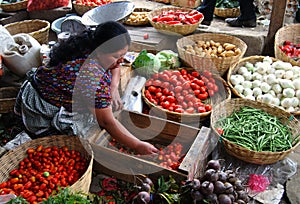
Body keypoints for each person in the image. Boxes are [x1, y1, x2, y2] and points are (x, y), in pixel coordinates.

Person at [14, 21, 159, 155]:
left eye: (123, 55)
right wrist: (138, 145)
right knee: (80, 136)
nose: (121, 60)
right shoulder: (91, 77)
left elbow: (116, 66)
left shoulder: (90, 45)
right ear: (99, 50)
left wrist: (113, 89)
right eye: (116, 56)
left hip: (46, 86)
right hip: (42, 105)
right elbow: (106, 122)